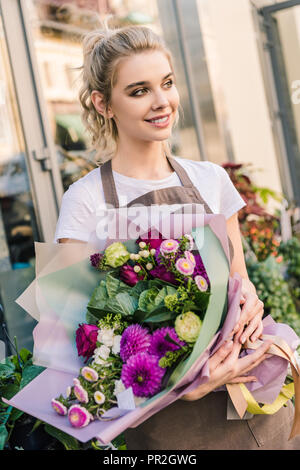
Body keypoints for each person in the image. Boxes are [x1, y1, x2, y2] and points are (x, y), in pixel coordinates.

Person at [55, 24, 300, 450]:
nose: (161, 101)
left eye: (166, 83)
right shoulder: (85, 200)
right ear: (103, 103)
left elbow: (240, 282)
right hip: (173, 425)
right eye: (138, 90)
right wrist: (186, 385)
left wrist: (249, 306)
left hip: (254, 403)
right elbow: (73, 342)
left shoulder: (211, 180)